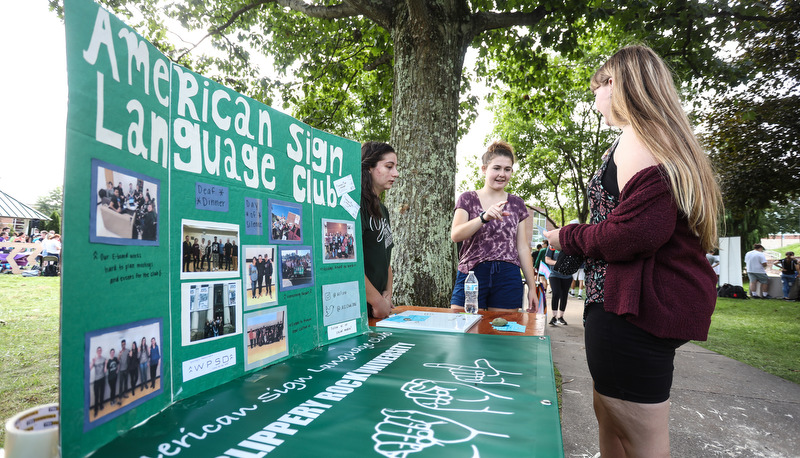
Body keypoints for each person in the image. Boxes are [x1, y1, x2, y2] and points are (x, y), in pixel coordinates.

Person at [544, 45, 722, 457]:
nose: (594, 100)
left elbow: (634, 234)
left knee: (640, 442)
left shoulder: (640, 141)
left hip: (629, 312)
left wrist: (568, 236)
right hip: (632, 310)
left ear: (615, 84)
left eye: (596, 88)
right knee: (611, 422)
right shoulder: (662, 140)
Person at [449, 141, 537, 313]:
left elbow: (523, 248)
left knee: (502, 335)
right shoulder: (468, 199)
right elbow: (456, 235)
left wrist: (532, 288)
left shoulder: (517, 204)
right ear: (484, 169)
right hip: (472, 273)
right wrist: (484, 217)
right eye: (496, 168)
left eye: (507, 169)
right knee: (463, 331)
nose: (502, 174)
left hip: (507, 276)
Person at [361, 141, 399, 319]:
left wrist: (387, 295)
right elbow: (348, 263)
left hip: (380, 310)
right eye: (389, 166)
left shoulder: (383, 210)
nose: (396, 174)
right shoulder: (356, 206)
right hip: (359, 309)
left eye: (395, 167)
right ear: (369, 167)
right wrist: (376, 301)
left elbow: (386, 258)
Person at [544, 245, 572, 325]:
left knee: (564, 295)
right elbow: (547, 259)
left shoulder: (570, 245)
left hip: (567, 275)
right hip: (554, 274)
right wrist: (558, 263)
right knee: (556, 293)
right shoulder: (552, 245)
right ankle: (554, 317)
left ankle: (561, 317)